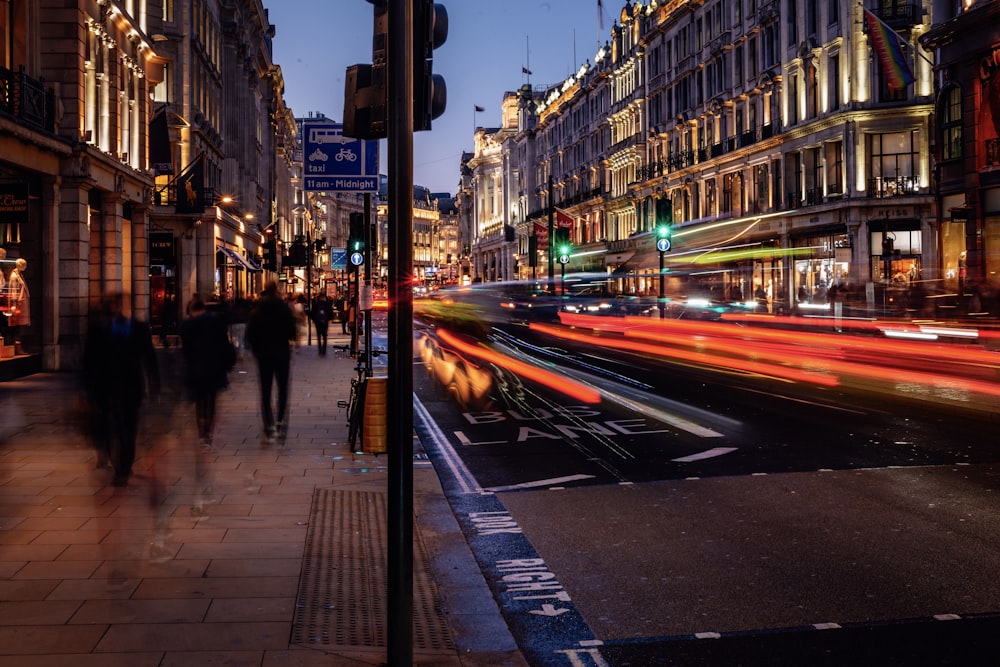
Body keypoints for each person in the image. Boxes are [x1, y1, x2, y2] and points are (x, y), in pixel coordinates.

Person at [83, 292, 160, 487]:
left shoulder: (139, 328)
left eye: (116, 304)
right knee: (109, 429)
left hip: (131, 387)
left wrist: (154, 385)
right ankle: (118, 463)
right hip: (105, 387)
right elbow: (88, 362)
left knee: (128, 428)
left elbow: (149, 358)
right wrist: (86, 389)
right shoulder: (98, 329)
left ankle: (124, 467)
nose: (113, 308)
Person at [180, 294, 235, 450]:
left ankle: (202, 433)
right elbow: (225, 345)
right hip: (214, 368)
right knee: (210, 401)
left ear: (191, 310)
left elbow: (186, 352)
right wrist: (228, 363)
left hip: (196, 369)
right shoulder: (216, 322)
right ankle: (207, 433)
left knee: (200, 401)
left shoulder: (186, 326)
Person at [245, 282, 297, 444]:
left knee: (265, 391)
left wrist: (256, 349)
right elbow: (291, 332)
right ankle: (280, 421)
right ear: (276, 291)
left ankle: (269, 425)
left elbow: (250, 335)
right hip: (282, 353)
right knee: (282, 389)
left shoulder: (257, 310)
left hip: (264, 355)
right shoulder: (283, 308)